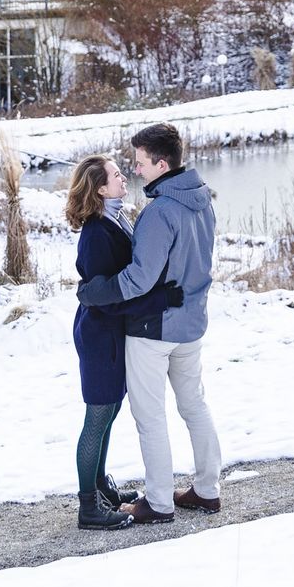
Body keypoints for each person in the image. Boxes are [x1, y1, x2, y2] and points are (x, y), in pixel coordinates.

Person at [76, 123, 223, 525]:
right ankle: (208, 490)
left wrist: (93, 293)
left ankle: (159, 502)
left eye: (141, 163)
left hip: (153, 330)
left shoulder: (160, 212)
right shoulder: (204, 201)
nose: (137, 171)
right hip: (192, 325)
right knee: (194, 405)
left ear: (161, 163)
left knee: (150, 416)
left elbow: (139, 279)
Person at [65, 154, 183, 531]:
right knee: (97, 419)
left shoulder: (115, 217)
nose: (124, 177)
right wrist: (160, 299)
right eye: (116, 175)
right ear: (101, 188)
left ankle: (100, 488)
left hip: (111, 334)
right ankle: (89, 508)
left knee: (109, 413)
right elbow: (109, 297)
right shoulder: (97, 232)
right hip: (101, 337)